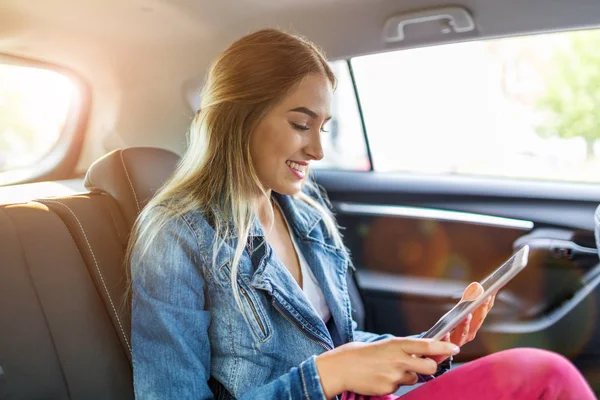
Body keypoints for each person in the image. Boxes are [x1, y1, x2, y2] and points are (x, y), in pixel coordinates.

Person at [127, 28, 597, 400]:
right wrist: (323, 377)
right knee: (542, 374)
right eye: (299, 124)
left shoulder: (305, 216)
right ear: (239, 117)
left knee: (538, 374)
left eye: (324, 128)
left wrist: (419, 347)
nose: (316, 149)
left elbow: (339, 346)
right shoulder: (177, 237)